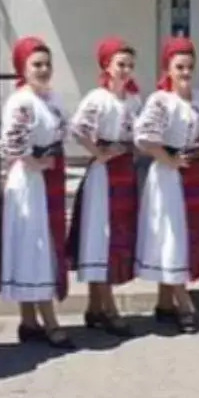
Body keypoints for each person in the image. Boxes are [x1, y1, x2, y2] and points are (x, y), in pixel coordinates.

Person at [134, 37, 199, 334]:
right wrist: (167, 159)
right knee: (172, 236)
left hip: (194, 175)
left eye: (189, 66)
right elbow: (144, 138)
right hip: (170, 176)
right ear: (168, 69)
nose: (185, 72)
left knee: (186, 236)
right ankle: (183, 302)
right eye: (179, 67)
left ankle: (164, 303)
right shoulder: (160, 100)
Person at [0, 36, 75, 349]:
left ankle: (29, 321)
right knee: (34, 245)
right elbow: (11, 141)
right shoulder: (21, 101)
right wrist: (33, 159)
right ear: (23, 68)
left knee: (39, 244)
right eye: (36, 64)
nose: (43, 70)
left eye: (46, 64)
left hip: (47, 175)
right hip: (29, 180)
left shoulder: (51, 97)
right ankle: (47, 320)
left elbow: (64, 129)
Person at [66, 36, 142, 338]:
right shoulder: (97, 98)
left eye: (129, 66)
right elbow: (77, 128)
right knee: (102, 235)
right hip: (104, 173)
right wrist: (98, 153)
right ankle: (107, 306)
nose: (125, 70)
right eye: (120, 64)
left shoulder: (133, 100)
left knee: (117, 235)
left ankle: (95, 306)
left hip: (125, 171)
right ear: (107, 66)